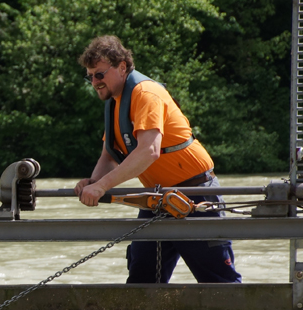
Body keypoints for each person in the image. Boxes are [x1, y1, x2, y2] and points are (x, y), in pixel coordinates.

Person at [74, 35, 241, 284]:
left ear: (122, 66)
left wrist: (101, 186)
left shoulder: (145, 93)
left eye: (99, 74)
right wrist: (92, 182)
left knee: (219, 281)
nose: (94, 82)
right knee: (142, 278)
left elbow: (148, 151)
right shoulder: (115, 102)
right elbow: (110, 154)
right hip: (157, 199)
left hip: (195, 195)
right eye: (90, 76)